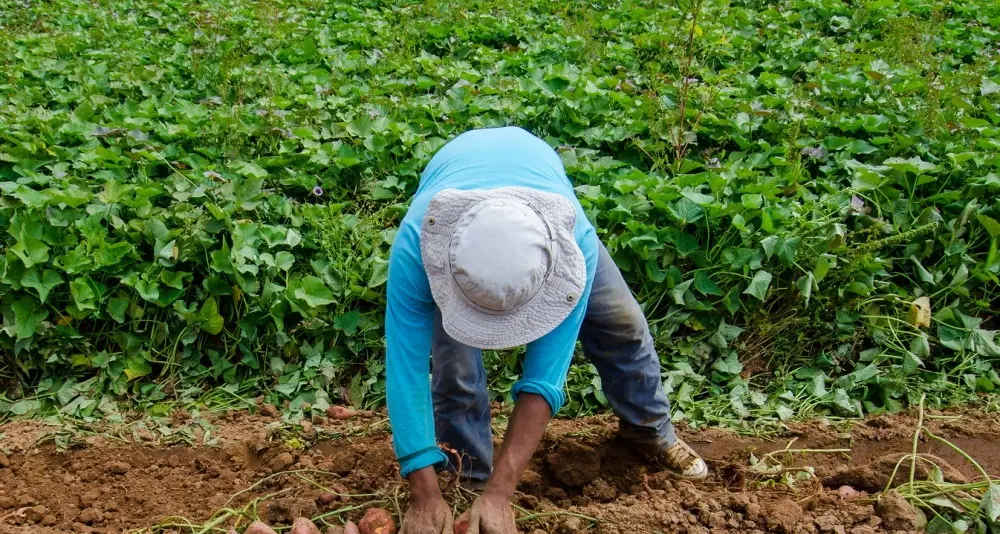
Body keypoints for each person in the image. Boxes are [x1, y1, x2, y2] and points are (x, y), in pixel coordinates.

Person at [385, 127, 707, 534]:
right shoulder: (419, 245)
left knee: (623, 325)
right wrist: (423, 494)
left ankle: (649, 432)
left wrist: (505, 493)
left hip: (546, 211)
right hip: (454, 221)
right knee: (455, 369)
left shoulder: (575, 244)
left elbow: (544, 378)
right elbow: (406, 370)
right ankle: (469, 474)